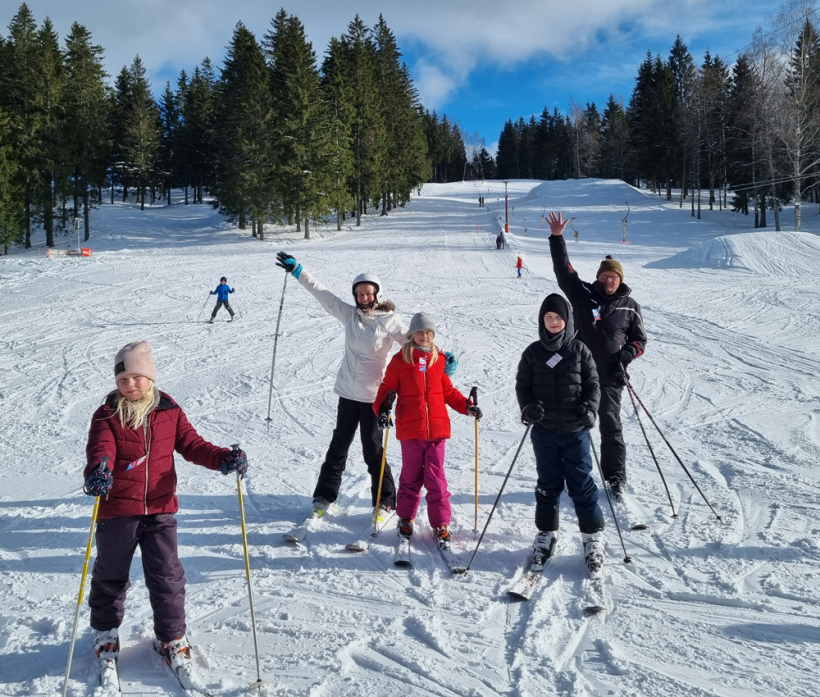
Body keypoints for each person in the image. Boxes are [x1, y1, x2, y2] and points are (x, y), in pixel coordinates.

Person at [83, 341, 247, 682]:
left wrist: (221, 458)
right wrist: (99, 469)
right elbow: (102, 449)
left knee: (167, 575)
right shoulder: (107, 414)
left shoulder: (168, 411)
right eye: (124, 379)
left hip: (159, 508)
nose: (130, 385)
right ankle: (106, 636)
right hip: (118, 510)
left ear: (151, 378)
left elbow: (192, 444)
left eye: (137, 377)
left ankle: (171, 638)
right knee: (111, 575)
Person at [275, 252, 456, 516]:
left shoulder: (389, 320)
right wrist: (298, 271)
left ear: (377, 295)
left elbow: (416, 342)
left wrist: (440, 357)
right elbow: (323, 294)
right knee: (338, 446)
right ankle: (324, 496)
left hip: (374, 397)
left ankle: (384, 500)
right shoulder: (349, 315)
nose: (363, 298)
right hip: (348, 393)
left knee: (373, 451)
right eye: (359, 294)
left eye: (368, 294)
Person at [547, 211, 647, 498]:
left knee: (611, 427)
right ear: (598, 276)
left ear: (620, 279)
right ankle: (573, 476)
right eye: (604, 275)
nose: (608, 280)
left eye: (613, 276)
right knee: (572, 427)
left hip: (611, 376)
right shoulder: (582, 295)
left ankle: (615, 478)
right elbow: (563, 270)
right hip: (577, 373)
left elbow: (640, 339)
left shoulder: (630, 305)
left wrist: (627, 355)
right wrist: (557, 238)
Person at [373, 312, 481, 549]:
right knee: (410, 477)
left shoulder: (438, 360)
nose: (424, 336)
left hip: (437, 431)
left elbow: (448, 391)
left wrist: (467, 406)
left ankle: (441, 523)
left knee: (436, 479)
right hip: (410, 428)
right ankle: (405, 517)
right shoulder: (400, 361)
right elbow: (386, 389)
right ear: (412, 335)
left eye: (428, 333)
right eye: (420, 332)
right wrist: (382, 409)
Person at [515, 294, 604, 571]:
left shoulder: (579, 350)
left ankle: (592, 537)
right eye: (548, 317)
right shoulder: (532, 352)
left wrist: (591, 409)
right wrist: (528, 407)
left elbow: (593, 385)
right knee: (547, 483)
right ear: (542, 320)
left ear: (567, 320)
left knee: (581, 483)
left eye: (558, 317)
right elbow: (523, 386)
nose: (553, 322)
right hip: (544, 432)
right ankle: (546, 534)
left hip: (575, 431)